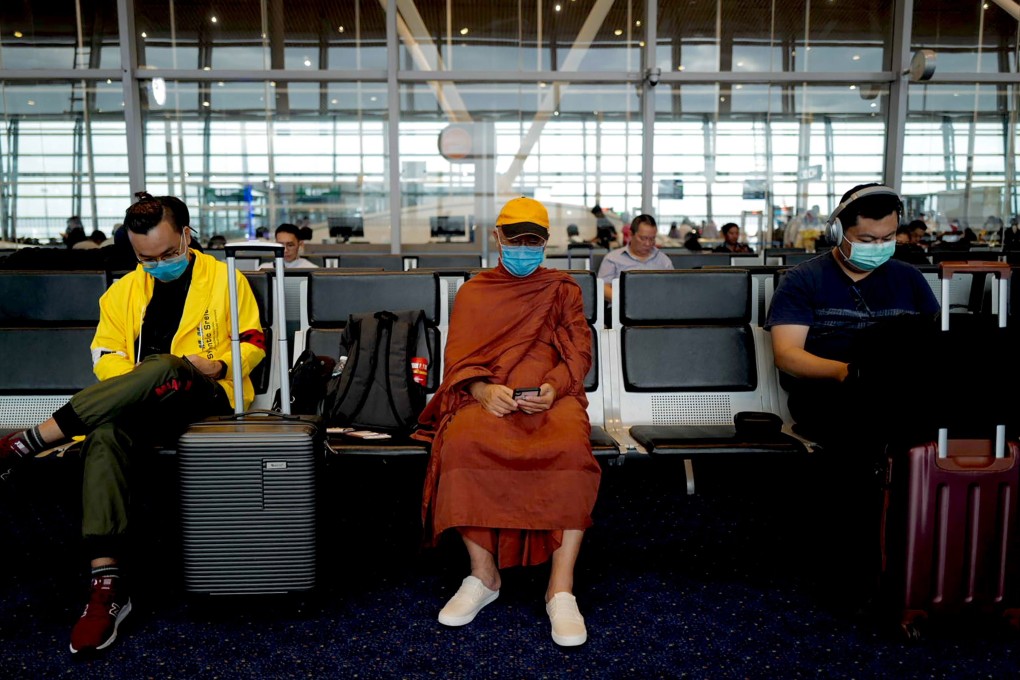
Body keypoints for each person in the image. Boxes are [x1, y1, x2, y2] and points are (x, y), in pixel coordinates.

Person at [0, 191, 266, 654]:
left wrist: (218, 366)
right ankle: (107, 585)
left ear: (186, 235)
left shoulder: (225, 279)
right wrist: (140, 384)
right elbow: (105, 357)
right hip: (141, 404)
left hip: (204, 396)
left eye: (168, 253)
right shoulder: (122, 292)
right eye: (146, 258)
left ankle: (34, 439)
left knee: (167, 365)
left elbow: (253, 342)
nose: (158, 264)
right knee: (105, 432)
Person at [413, 196, 600, 647]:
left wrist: (554, 386)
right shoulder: (476, 291)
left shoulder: (563, 289)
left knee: (572, 450)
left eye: (532, 240)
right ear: (497, 238)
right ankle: (483, 576)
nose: (523, 247)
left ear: (545, 243)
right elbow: (458, 360)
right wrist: (481, 390)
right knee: (461, 442)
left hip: (551, 399)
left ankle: (561, 587)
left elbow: (578, 352)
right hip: (489, 397)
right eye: (514, 239)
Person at [765, 184, 940, 608]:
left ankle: (921, 554)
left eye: (887, 239)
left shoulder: (909, 279)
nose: (879, 248)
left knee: (937, 434)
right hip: (828, 391)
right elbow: (787, 355)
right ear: (838, 232)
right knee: (862, 441)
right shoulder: (803, 280)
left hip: (898, 393)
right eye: (866, 240)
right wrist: (847, 372)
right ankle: (860, 569)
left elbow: (936, 343)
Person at [596, 214, 673, 301]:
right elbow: (603, 287)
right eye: (643, 238)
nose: (648, 243)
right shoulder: (613, 258)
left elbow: (672, 288)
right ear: (631, 234)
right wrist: (626, 302)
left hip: (656, 308)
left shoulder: (663, 260)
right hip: (621, 310)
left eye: (652, 239)